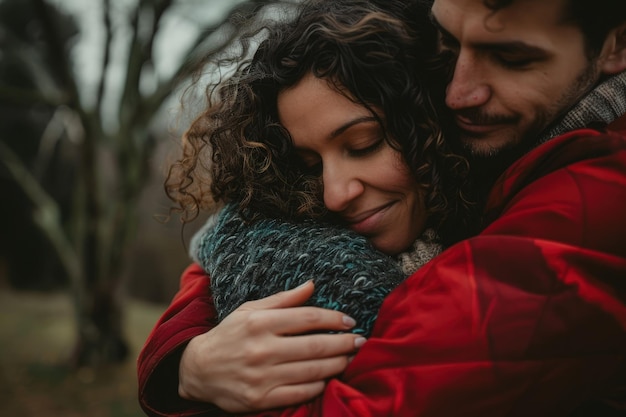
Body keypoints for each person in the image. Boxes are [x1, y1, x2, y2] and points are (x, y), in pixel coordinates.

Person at [138, 0, 626, 415]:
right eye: (449, 47)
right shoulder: (487, 146)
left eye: (511, 57)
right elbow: (237, 235)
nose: (458, 93)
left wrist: (195, 379)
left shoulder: (591, 199)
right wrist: (188, 360)